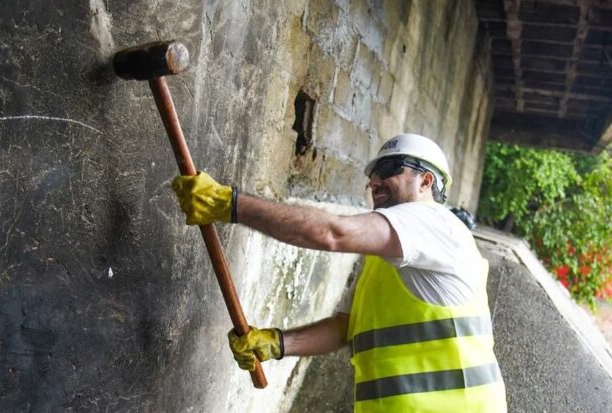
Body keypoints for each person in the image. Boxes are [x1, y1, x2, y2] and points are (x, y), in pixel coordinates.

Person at [171, 133, 507, 412]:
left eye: (389, 168)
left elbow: (334, 233)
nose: (375, 180)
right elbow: (345, 328)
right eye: (372, 174)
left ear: (426, 180)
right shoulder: (385, 257)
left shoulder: (431, 221)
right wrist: (277, 343)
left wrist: (229, 204)